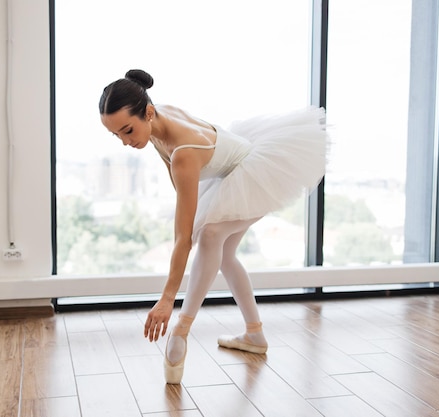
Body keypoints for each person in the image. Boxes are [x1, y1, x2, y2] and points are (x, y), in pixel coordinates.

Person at [99, 69, 328, 384]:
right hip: (226, 171)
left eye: (127, 130)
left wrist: (167, 299)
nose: (125, 142)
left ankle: (181, 329)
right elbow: (179, 187)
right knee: (224, 253)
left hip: (253, 173)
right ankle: (255, 335)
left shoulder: (183, 153)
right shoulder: (155, 123)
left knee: (209, 236)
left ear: (148, 112)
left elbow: (183, 239)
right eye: (117, 135)